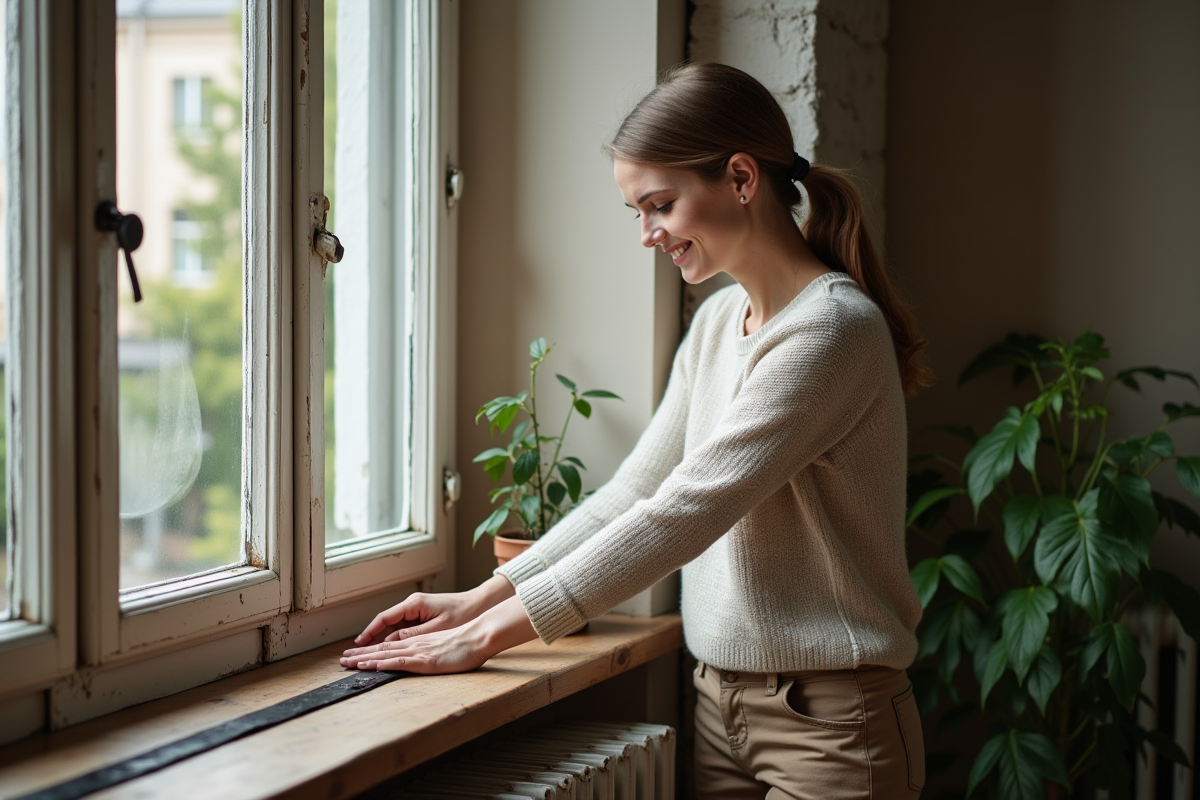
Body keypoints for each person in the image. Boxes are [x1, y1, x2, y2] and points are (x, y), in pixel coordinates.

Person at [340, 62, 929, 799]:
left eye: (660, 205)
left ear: (742, 179)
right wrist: (481, 597)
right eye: (637, 212)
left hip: (833, 725)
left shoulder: (832, 331)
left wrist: (484, 639)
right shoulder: (718, 322)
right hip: (720, 707)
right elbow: (635, 491)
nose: (647, 234)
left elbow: (685, 510)